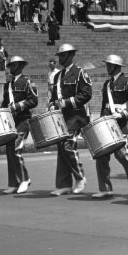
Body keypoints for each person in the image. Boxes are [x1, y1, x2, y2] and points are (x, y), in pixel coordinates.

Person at [93, 55, 128, 198]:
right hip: (107, 123)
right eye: (107, 65)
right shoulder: (106, 85)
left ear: (117, 66)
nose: (108, 67)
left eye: (110, 65)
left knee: (121, 153)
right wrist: (100, 121)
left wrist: (124, 114)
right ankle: (105, 189)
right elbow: (104, 106)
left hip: (121, 123)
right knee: (101, 155)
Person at [48, 44, 91, 196]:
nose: (60, 58)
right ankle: (64, 184)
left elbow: (86, 94)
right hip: (62, 118)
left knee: (68, 146)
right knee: (61, 148)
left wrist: (66, 102)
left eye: (63, 55)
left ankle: (80, 177)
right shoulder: (58, 76)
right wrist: (52, 105)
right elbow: (54, 97)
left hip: (76, 116)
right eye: (59, 55)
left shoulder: (80, 73)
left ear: (71, 55)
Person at [2, 56, 37, 195]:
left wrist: (18, 106)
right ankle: (13, 182)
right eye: (10, 65)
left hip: (23, 120)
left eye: (13, 65)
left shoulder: (28, 82)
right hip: (10, 121)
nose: (11, 68)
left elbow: (33, 101)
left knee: (16, 149)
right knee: (9, 151)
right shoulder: (8, 85)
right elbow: (5, 103)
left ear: (20, 66)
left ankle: (24, 179)